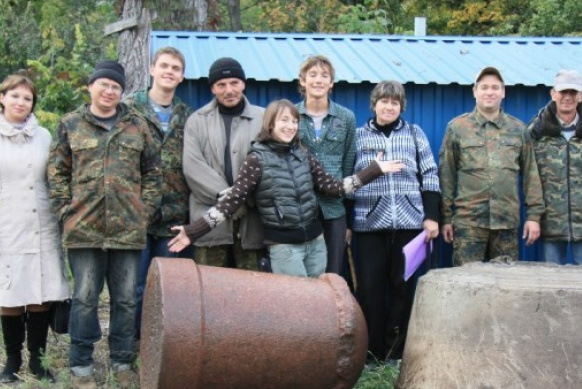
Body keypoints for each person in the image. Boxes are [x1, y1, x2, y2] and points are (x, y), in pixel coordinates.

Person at [168, 99, 404, 278]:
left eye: (294, 121)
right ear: (270, 124)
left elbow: (334, 188)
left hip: (316, 243)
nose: (290, 126)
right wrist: (193, 231)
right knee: (299, 308)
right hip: (285, 249)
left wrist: (373, 170)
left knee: (318, 302)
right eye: (284, 121)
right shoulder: (256, 159)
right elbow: (232, 201)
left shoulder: (303, 154)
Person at [48, 61, 160, 389]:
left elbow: (153, 172)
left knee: (125, 299)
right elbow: (56, 172)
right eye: (103, 85)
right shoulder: (70, 124)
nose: (109, 91)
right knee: (84, 299)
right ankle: (81, 366)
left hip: (127, 231)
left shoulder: (137, 125)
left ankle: (122, 362)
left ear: (121, 92)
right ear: (91, 86)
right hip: (84, 230)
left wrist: (144, 211)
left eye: (115, 86)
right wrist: (65, 212)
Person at [0, 73, 70, 383]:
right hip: (5, 228)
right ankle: (12, 361)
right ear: (2, 98)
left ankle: (37, 363)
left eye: (27, 98)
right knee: (10, 296)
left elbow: (53, 181)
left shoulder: (44, 137)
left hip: (41, 227)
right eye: (15, 96)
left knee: (40, 294)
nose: (21, 103)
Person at [352, 81, 441, 362]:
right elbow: (346, 179)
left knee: (402, 289)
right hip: (368, 226)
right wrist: (346, 225)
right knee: (370, 289)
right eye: (384, 101)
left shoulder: (415, 134)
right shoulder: (357, 137)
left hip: (409, 226)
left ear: (401, 106)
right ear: (374, 104)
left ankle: (394, 353)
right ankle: (370, 353)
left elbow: (429, 175)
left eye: (395, 102)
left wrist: (431, 217)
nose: (389, 107)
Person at [439, 67, 544, 267]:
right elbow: (446, 176)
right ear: (474, 91)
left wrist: (534, 217)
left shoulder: (518, 129)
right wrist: (445, 218)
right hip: (468, 223)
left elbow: (531, 174)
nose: (489, 92)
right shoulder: (457, 128)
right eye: (484, 87)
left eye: (495, 87)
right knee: (467, 283)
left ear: (503, 92)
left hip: (506, 223)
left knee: (505, 285)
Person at [124, 46, 194, 342]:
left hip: (174, 219)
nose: (169, 72)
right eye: (164, 66)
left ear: (182, 76)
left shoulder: (188, 115)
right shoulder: (128, 109)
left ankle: (161, 350)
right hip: (135, 215)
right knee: (133, 288)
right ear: (152, 69)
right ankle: (129, 349)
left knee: (168, 292)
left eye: (175, 68)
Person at [183, 57, 265, 270]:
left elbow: (270, 164)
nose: (229, 90)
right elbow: (193, 167)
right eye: (221, 85)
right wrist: (226, 198)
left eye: (234, 83)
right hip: (209, 221)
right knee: (210, 289)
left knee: (252, 290)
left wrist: (242, 198)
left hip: (251, 220)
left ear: (243, 84)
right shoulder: (197, 121)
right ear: (213, 88)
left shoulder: (263, 118)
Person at [527, 69, 582, 266]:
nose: (567, 97)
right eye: (562, 92)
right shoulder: (535, 131)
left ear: (581, 95)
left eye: (573, 92)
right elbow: (529, 175)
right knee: (551, 285)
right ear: (553, 94)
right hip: (550, 222)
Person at [295, 55, 357, 275]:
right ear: (303, 81)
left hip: (334, 211)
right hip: (300, 208)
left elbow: (349, 165)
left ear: (331, 83)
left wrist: (348, 221)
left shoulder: (346, 118)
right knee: (302, 275)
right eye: (312, 75)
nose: (318, 80)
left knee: (331, 274)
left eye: (324, 75)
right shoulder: (291, 116)